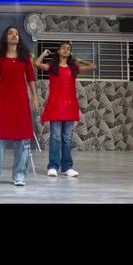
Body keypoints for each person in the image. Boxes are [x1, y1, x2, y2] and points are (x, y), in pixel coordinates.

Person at [0, 26, 39, 187]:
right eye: (11, 33)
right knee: (0, 138)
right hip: (4, 102)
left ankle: (19, 174)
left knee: (23, 139)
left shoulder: (25, 57)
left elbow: (31, 78)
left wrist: (35, 96)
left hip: (21, 102)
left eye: (17, 34)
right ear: (5, 37)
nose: (14, 35)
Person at [36, 42, 96, 177]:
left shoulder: (74, 67)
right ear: (58, 51)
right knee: (56, 137)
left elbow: (93, 66)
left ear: (70, 52)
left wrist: (80, 60)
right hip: (56, 106)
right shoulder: (53, 66)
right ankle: (53, 166)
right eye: (63, 48)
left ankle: (67, 167)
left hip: (69, 106)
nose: (66, 50)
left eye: (68, 49)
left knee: (67, 138)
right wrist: (44, 54)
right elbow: (37, 64)